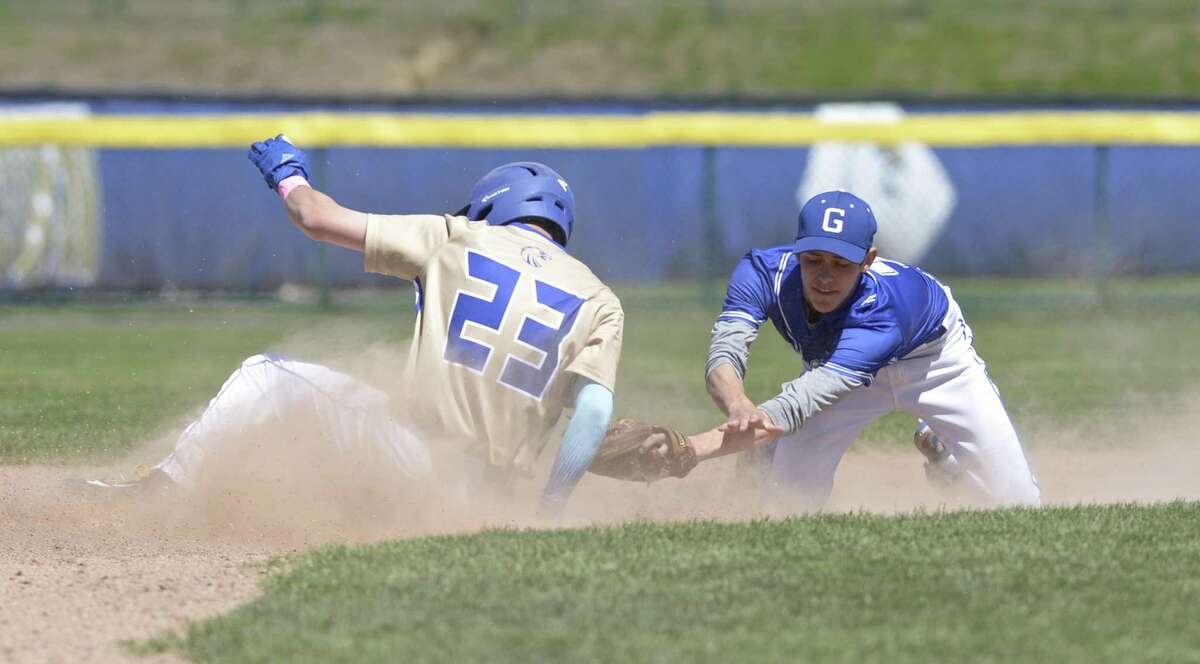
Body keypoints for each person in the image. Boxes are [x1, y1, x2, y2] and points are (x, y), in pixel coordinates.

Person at [78, 135, 624, 513]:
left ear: (490, 207)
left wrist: (287, 175)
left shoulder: (458, 236)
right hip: (492, 498)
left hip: (420, 461)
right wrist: (551, 506)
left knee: (266, 375)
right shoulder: (600, 298)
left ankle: (166, 488)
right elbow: (594, 413)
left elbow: (314, 218)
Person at [684, 190, 1039, 510]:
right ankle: (770, 452)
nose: (825, 277)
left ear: (867, 260)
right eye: (813, 260)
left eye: (841, 264)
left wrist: (688, 450)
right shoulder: (761, 273)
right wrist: (737, 404)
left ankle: (950, 466)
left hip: (933, 363)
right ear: (796, 251)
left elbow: (802, 401)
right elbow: (725, 352)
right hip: (839, 367)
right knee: (786, 505)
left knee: (1020, 505)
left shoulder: (882, 311)